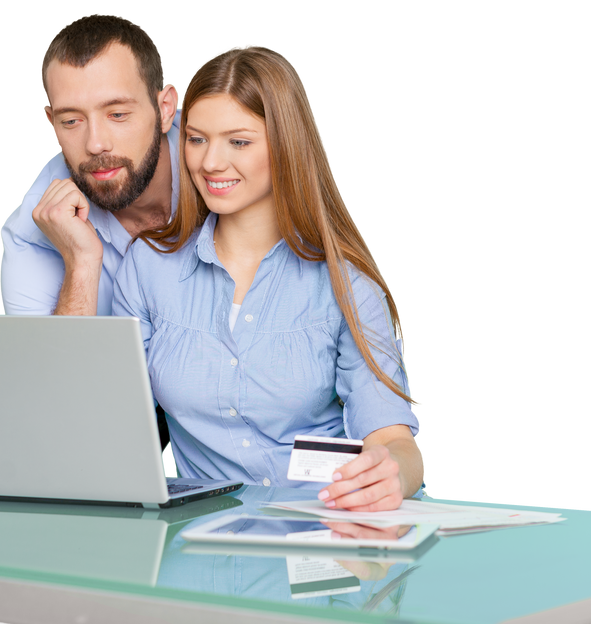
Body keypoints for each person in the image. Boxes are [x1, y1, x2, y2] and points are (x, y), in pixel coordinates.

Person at [113, 44, 426, 512]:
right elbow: (109, 424)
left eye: (238, 142)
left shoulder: (347, 282)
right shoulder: (147, 267)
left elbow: (394, 441)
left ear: (284, 145)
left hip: (321, 544)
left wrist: (389, 473)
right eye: (197, 139)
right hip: (200, 546)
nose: (211, 163)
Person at [0, 14, 180, 318]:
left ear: (164, 110)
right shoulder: (30, 232)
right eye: (71, 121)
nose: (95, 144)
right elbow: (48, 366)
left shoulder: (226, 171)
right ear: (51, 125)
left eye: (117, 114)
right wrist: (81, 263)